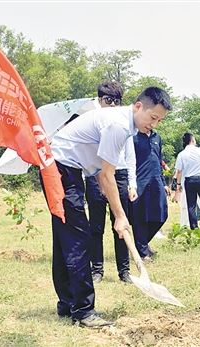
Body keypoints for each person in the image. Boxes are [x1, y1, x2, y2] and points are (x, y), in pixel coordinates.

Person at [43, 87, 172, 328]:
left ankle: (68, 302)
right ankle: (83, 311)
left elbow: (103, 175)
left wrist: (117, 213)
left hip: (61, 167)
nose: (154, 125)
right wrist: (120, 216)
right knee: (78, 237)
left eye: (159, 120)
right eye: (152, 117)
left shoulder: (121, 123)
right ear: (138, 106)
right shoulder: (119, 125)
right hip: (61, 169)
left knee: (65, 237)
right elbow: (106, 176)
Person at [85, 81, 136, 284]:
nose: (113, 105)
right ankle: (97, 270)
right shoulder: (93, 121)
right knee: (96, 226)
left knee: (122, 224)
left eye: (117, 101)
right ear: (100, 101)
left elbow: (130, 156)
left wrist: (132, 183)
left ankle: (124, 271)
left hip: (120, 175)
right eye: (108, 100)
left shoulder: (124, 123)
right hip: (96, 177)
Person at [131, 128, 169, 260]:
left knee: (162, 213)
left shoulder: (157, 137)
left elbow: (159, 159)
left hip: (156, 179)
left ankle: (142, 243)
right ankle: (142, 251)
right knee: (140, 216)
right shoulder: (133, 136)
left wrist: (164, 182)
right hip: (139, 180)